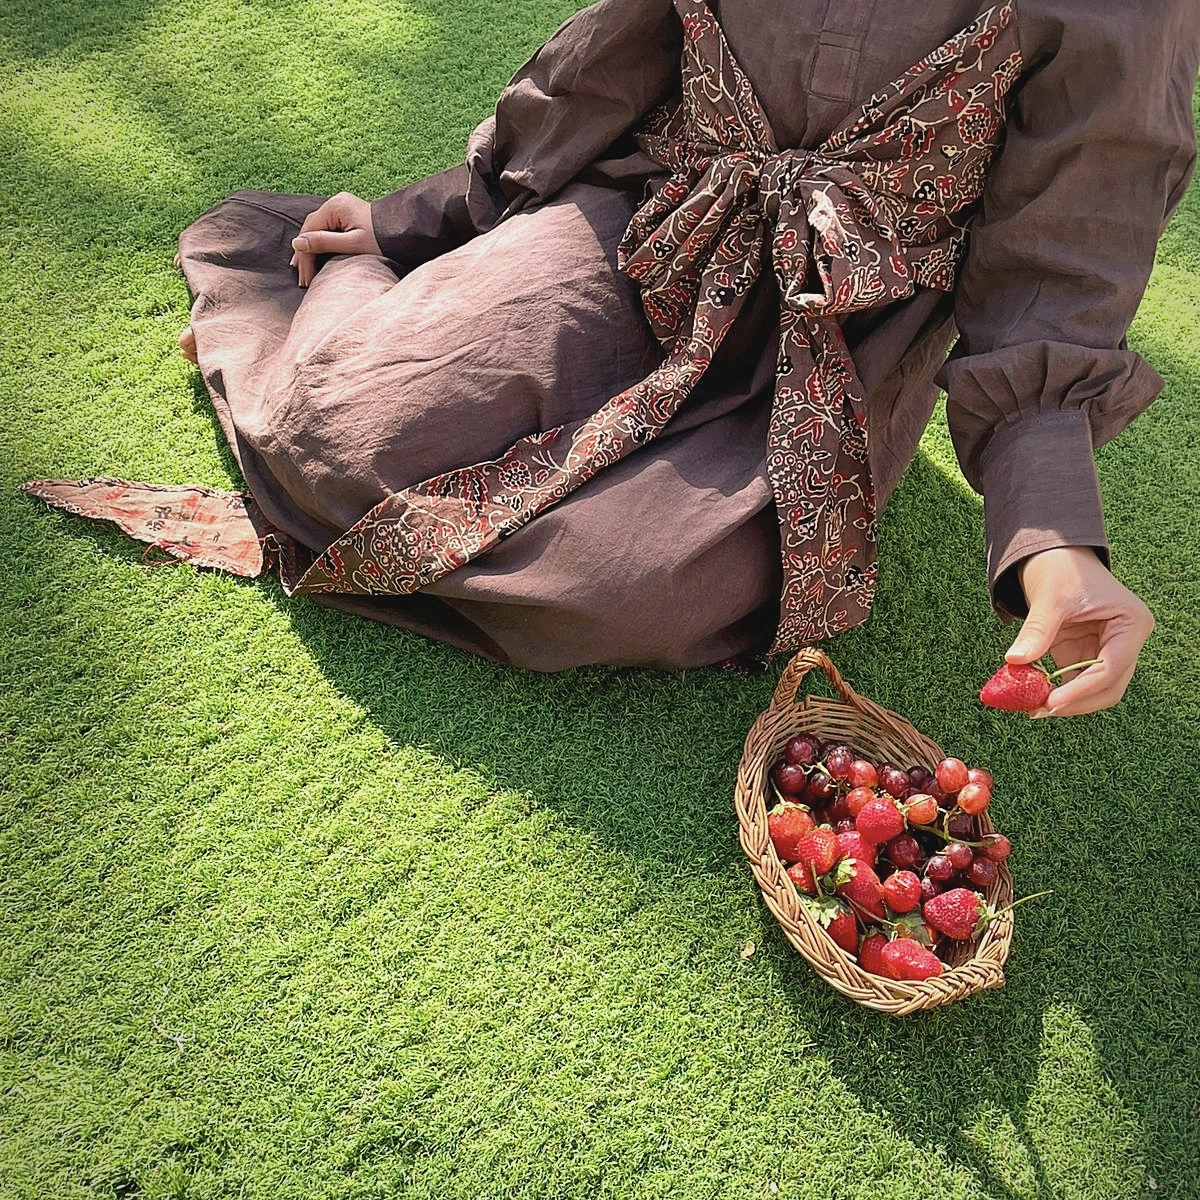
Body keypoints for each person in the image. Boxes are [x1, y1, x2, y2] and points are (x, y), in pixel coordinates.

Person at [28, 0, 1199, 714]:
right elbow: (612, 56)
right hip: (644, 227)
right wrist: (428, 217)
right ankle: (318, 310)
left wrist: (1050, 541)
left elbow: (1059, 271)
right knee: (336, 427)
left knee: (632, 593)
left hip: (838, 337)